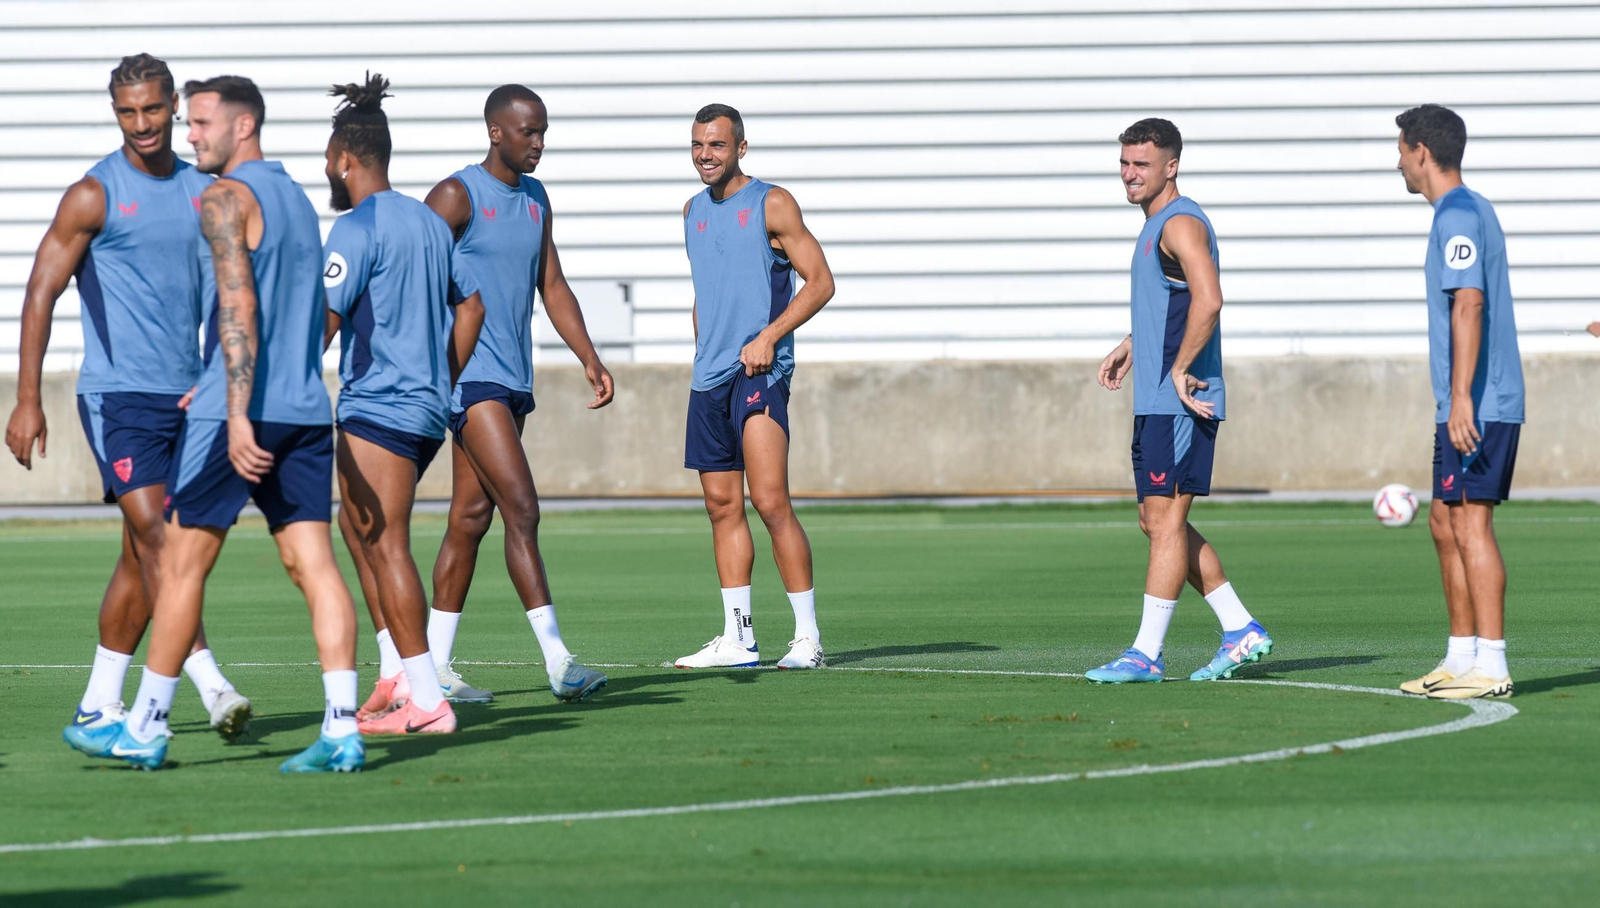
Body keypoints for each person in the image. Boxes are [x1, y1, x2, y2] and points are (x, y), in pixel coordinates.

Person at [96, 75, 365, 771]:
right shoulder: (297, 200)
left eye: (201, 123)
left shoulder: (222, 196)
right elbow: (297, 307)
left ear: (243, 126)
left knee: (180, 566)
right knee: (315, 566)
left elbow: (239, 310)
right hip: (307, 408)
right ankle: (342, 728)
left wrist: (235, 410)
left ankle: (148, 725)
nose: (190, 135)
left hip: (239, 414)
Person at [3, 54, 250, 756]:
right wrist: (27, 399)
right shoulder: (93, 195)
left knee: (138, 557)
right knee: (163, 542)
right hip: (118, 398)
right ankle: (209, 685)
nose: (140, 124)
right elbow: (40, 293)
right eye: (126, 112)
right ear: (115, 112)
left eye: (151, 109)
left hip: (191, 399)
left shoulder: (207, 188)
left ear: (174, 105)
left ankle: (96, 706)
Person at [403, 83, 612, 706]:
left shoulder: (536, 197)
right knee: (522, 507)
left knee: (470, 520)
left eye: (544, 131)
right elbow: (406, 267)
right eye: (528, 132)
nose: (539, 144)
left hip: (514, 380)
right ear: (497, 132)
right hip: (470, 381)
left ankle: (431, 670)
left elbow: (552, 281)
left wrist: (589, 358)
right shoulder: (455, 195)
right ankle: (559, 662)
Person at [316, 74, 486, 734]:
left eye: (327, 161)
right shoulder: (428, 222)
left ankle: (426, 698)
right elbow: (470, 303)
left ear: (344, 160)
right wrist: (444, 375)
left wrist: (277, 386)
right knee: (355, 531)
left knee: (385, 543)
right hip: (420, 411)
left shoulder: (354, 228)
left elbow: (324, 323)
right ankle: (394, 675)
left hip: (379, 407)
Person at [1085, 118, 1273, 684]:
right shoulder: (1155, 225)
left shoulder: (1181, 222)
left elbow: (1210, 300)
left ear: (1172, 166)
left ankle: (1145, 653)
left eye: (1141, 164)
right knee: (1155, 519)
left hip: (1182, 404)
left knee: (1165, 522)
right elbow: (1176, 303)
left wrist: (1184, 368)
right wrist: (1132, 345)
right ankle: (1240, 628)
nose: (1129, 174)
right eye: (1124, 162)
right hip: (1157, 400)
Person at [673, 104, 835, 671]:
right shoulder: (690, 211)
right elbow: (705, 290)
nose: (704, 156)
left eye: (716, 145)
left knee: (769, 502)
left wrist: (770, 336)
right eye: (697, 145)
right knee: (722, 508)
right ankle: (738, 639)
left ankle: (808, 639)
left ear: (741, 148)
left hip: (758, 374)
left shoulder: (772, 202)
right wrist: (701, 346)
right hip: (707, 379)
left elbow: (820, 283)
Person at [1395, 104, 1522, 700]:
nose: (1398, 162)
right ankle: (1460, 656)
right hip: (1463, 401)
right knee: (1445, 523)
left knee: (1471, 522)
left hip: (1481, 402)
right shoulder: (1455, 213)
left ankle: (1492, 665)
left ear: (1422, 150)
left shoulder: (1461, 214)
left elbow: (1468, 303)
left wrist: (1464, 398)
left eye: (1400, 149)